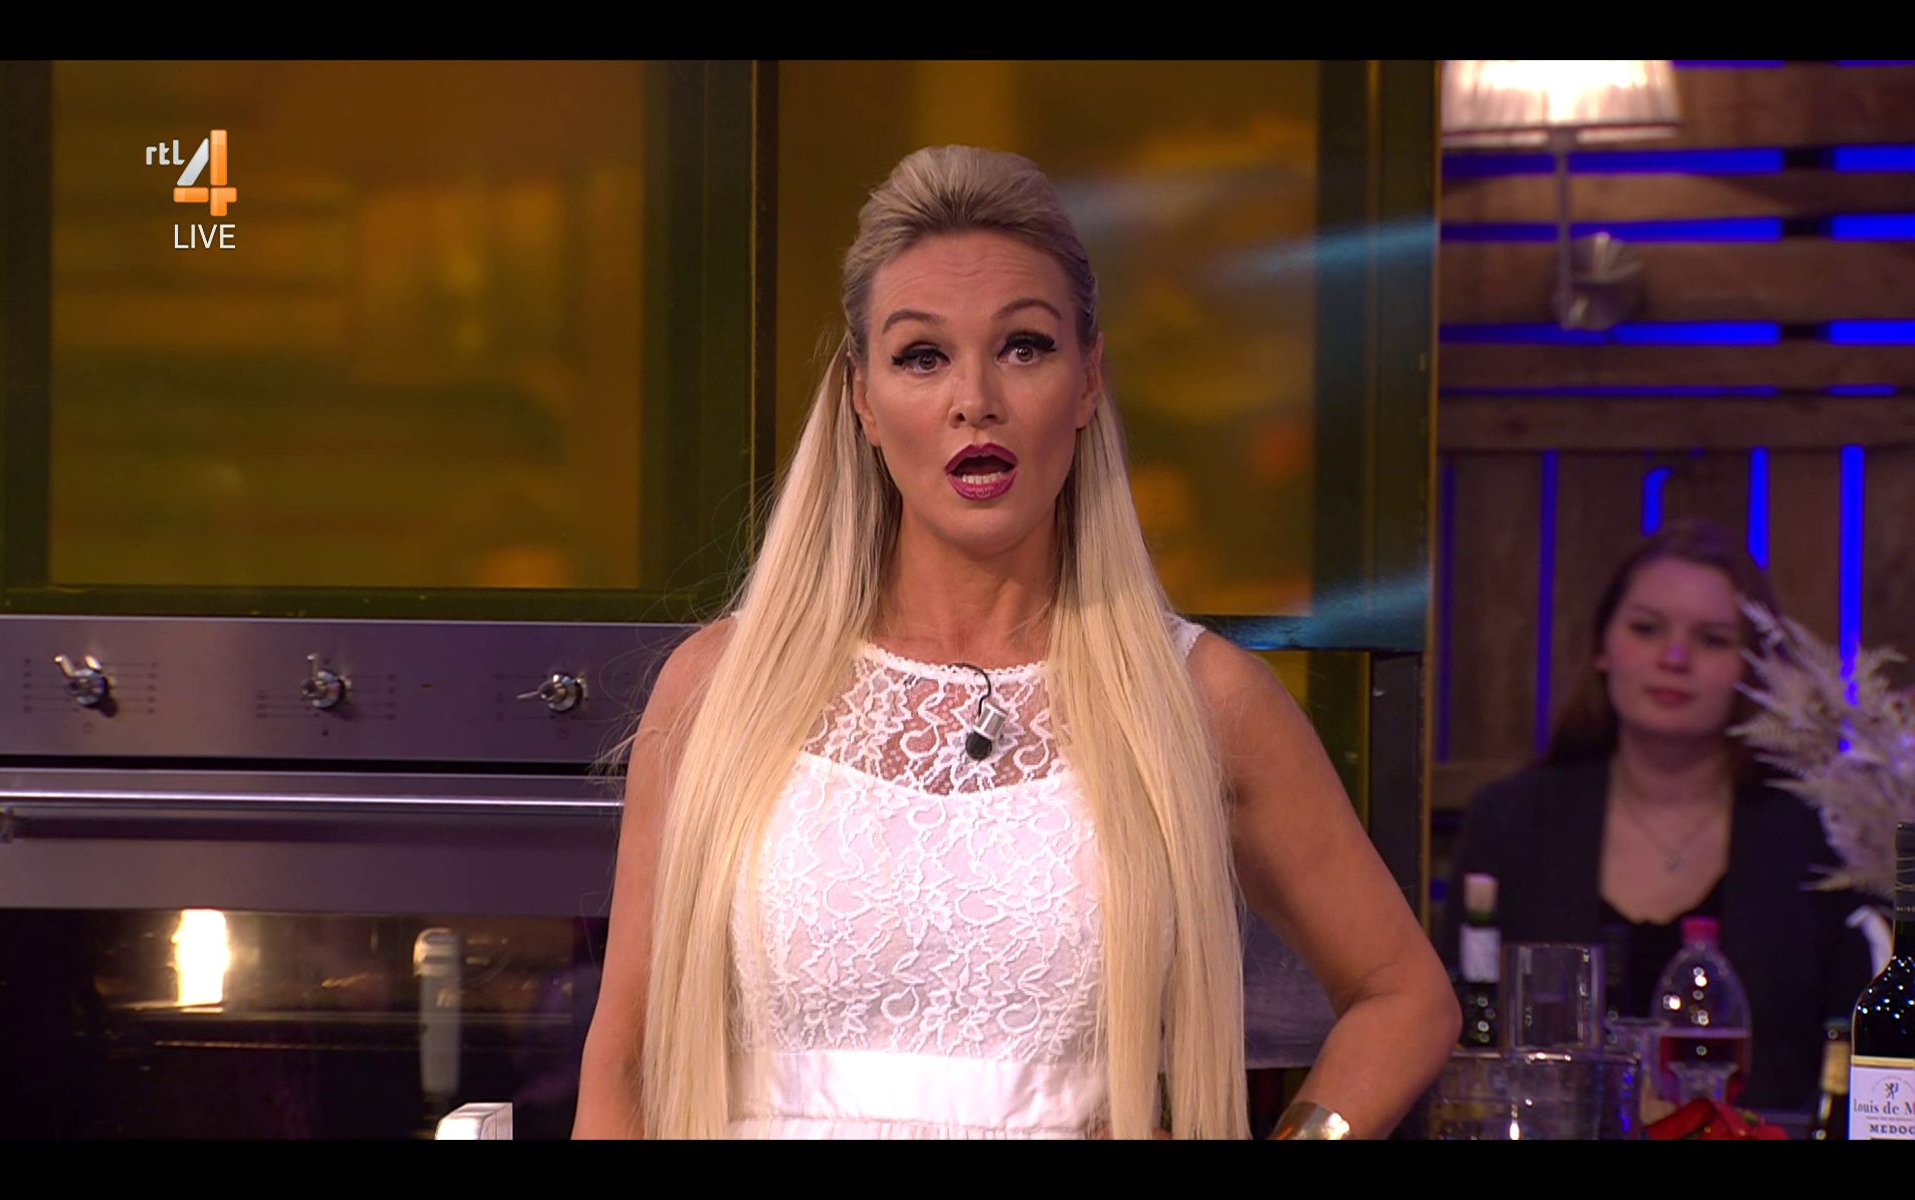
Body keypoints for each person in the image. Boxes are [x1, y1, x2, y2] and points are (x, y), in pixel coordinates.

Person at [573, 145, 1458, 1139]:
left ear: (1088, 381)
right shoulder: (721, 688)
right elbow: (625, 1063)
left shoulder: (1201, 699)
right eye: (922, 355)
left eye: (1024, 347)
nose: (975, 398)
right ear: (863, 398)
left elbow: (1404, 997)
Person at [1441, 518, 1875, 1111]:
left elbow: (1849, 1050)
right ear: (1603, 647)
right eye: (1646, 629)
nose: (1674, 657)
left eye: (1712, 640)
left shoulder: (1812, 837)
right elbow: (1461, 1027)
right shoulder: (1511, 819)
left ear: (1753, 670)